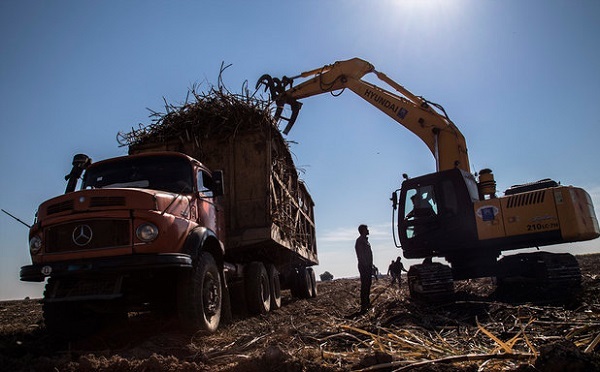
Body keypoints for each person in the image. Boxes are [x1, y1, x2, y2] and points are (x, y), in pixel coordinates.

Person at [355, 224, 373, 313]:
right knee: (365, 285)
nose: (368, 230)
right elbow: (362, 256)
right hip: (364, 266)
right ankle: (364, 305)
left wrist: (372, 266)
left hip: (367, 266)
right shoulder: (360, 241)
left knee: (368, 284)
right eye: (367, 229)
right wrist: (367, 266)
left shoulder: (365, 241)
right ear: (363, 231)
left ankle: (367, 303)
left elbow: (368, 255)